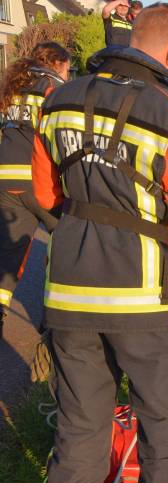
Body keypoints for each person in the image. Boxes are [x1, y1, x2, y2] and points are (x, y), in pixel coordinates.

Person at [31, 4, 168, 483]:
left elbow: (46, 196)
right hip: (151, 306)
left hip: (70, 298)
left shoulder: (57, 102)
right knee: (167, 437)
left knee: (79, 429)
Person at [0, 42, 70, 337]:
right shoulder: (54, 86)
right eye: (67, 68)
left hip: (5, 178)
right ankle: (55, 320)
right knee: (65, 243)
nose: (68, 74)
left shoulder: (12, 85)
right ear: (57, 64)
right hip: (39, 180)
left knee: (7, 254)